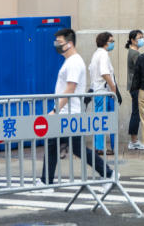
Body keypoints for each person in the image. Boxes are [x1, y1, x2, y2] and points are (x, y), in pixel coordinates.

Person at [41, 29, 112, 185]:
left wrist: (55, 110)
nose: (56, 46)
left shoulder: (74, 62)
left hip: (68, 114)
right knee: (56, 146)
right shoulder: (71, 61)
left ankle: (108, 173)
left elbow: (70, 89)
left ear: (70, 43)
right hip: (67, 113)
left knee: (73, 148)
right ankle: (46, 182)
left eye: (59, 42)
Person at [89, 32, 122, 155]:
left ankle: (100, 146)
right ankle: (100, 147)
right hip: (104, 92)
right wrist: (113, 88)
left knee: (100, 120)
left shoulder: (96, 54)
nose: (113, 43)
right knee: (105, 120)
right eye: (111, 41)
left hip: (99, 92)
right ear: (104, 42)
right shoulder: (103, 55)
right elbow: (104, 72)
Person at [125, 29, 144, 150]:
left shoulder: (134, 52)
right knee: (136, 113)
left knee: (136, 113)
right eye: (139, 37)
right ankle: (133, 141)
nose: (142, 39)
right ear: (132, 40)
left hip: (135, 86)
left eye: (143, 37)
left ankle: (134, 140)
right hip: (136, 87)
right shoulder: (135, 54)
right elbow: (141, 69)